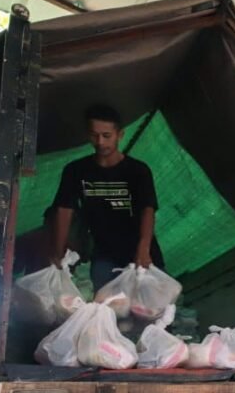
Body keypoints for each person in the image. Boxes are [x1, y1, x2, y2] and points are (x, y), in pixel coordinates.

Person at [51, 104, 164, 290]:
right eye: (94, 135)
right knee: (106, 304)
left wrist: (143, 249)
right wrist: (58, 250)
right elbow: (64, 209)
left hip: (141, 251)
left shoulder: (138, 171)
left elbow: (148, 210)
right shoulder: (75, 171)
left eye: (106, 136)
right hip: (104, 254)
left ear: (120, 135)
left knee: (150, 303)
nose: (100, 142)